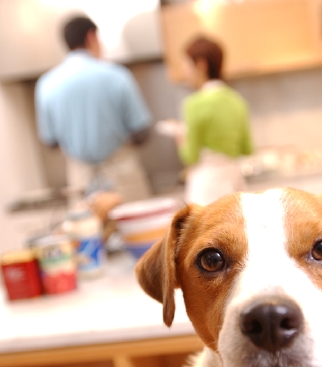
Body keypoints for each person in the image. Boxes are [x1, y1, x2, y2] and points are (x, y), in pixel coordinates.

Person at [35, 15, 153, 217]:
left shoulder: (46, 85)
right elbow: (142, 131)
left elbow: (50, 142)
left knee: (88, 238)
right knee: (137, 236)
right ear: (91, 37)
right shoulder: (117, 75)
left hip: (81, 181)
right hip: (122, 174)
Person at [176, 35, 253, 205]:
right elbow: (247, 149)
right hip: (235, 185)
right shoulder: (237, 101)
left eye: (187, 64)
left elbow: (191, 156)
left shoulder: (194, 104)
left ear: (201, 65)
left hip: (206, 187)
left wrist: (180, 139)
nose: (183, 71)